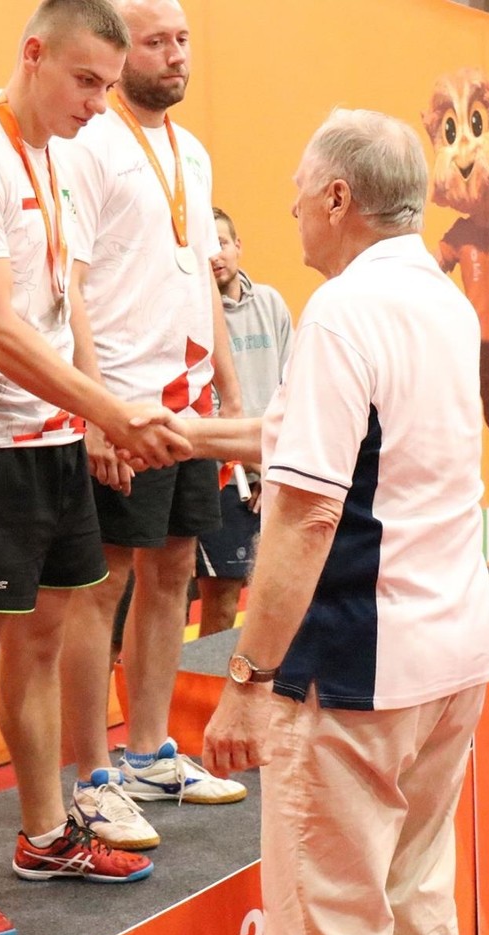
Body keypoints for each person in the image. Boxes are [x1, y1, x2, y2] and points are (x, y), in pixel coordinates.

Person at [178, 109, 489, 935]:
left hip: (356, 671)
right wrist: (185, 435)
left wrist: (246, 677)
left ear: (338, 197)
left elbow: (309, 514)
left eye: (298, 192)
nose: (290, 210)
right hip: (448, 658)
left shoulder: (343, 311)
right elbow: (328, 442)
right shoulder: (440, 300)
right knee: (415, 906)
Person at [0, 0, 186, 935]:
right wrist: (108, 408)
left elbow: (68, 306)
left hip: (56, 442)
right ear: (34, 55)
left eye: (108, 85)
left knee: (44, 641)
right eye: (87, 81)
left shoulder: (61, 158)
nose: (100, 103)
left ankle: (47, 834)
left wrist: (94, 414)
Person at [55, 0, 247, 855]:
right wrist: (95, 408)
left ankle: (148, 755)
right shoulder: (87, 143)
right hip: (122, 399)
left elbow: (201, 279)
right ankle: (91, 780)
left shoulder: (192, 151)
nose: (175, 56)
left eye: (183, 40)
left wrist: (229, 393)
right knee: (102, 589)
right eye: (157, 42)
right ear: (118, 50)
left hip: (188, 405)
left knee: (173, 573)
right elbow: (69, 285)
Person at [195, 206, 294, 637]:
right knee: (221, 605)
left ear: (238, 245)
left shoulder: (270, 304)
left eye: (221, 242)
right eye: (205, 247)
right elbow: (210, 405)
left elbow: (294, 384)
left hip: (275, 476)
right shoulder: (196, 315)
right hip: (224, 478)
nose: (214, 255)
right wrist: (250, 465)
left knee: (279, 600)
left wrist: (274, 470)